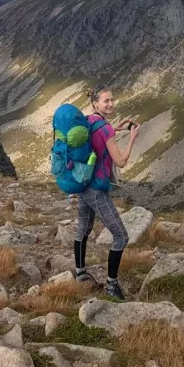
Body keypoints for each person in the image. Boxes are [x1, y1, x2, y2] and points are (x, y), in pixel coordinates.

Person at [73, 85, 141, 300]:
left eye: (112, 100)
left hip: (82, 183)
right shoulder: (105, 128)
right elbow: (121, 161)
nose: (111, 104)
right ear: (95, 103)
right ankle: (111, 285)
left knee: (83, 228)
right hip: (97, 189)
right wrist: (131, 138)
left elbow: (99, 138)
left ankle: (80, 274)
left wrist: (115, 129)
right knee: (121, 236)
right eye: (106, 101)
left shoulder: (90, 121)